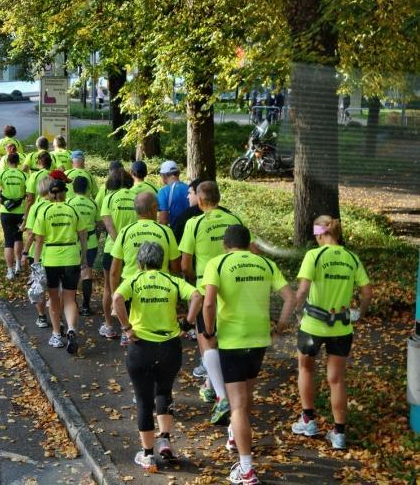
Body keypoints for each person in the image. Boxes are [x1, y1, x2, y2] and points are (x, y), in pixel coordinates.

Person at [202, 225, 295, 485]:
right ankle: (235, 434)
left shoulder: (217, 263)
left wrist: (209, 331)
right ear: (247, 243)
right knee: (244, 397)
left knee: (238, 404)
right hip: (259, 339)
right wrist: (281, 326)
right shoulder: (264, 264)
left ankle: (247, 469)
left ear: (225, 243)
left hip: (232, 340)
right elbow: (290, 298)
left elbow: (208, 302)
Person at [113, 242, 202, 473]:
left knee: (143, 400)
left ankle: (148, 455)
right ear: (161, 261)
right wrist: (188, 323)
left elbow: (116, 299)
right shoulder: (171, 281)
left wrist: (127, 328)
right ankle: (164, 439)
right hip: (170, 347)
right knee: (164, 391)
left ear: (140, 262)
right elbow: (196, 295)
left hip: (141, 347)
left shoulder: (134, 280)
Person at [291, 216, 372, 450]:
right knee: (336, 380)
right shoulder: (351, 258)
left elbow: (304, 289)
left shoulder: (314, 256)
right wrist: (360, 313)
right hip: (341, 328)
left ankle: (308, 420)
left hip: (312, 326)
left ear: (319, 234)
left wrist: (295, 311)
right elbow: (367, 292)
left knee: (305, 368)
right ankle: (339, 434)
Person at [179, 181, 257, 424]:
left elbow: (184, 264)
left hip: (205, 287)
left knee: (208, 339)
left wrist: (196, 282)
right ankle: (214, 384)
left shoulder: (194, 223)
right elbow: (252, 251)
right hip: (235, 284)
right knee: (226, 337)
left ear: (200, 201)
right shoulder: (234, 219)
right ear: (219, 198)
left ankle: (217, 391)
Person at [33, 173, 88, 354]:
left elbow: (39, 239)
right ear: (65, 192)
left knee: (54, 298)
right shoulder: (73, 210)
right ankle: (71, 328)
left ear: (50, 194)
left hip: (51, 259)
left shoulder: (45, 211)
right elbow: (83, 235)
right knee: (70, 298)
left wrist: (35, 262)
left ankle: (57, 334)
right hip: (71, 256)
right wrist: (84, 257)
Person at [110, 192, 180, 300]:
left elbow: (114, 271)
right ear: (153, 208)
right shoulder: (166, 232)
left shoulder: (125, 231)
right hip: (160, 288)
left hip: (131, 288)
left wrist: (115, 296)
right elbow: (176, 267)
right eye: (158, 208)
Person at [100, 168, 137, 343]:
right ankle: (128, 329)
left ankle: (109, 325)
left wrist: (118, 243)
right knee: (131, 289)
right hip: (134, 249)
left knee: (109, 287)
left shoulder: (109, 198)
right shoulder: (136, 196)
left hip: (112, 249)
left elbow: (108, 225)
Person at [21, 177, 53, 328]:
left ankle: (41, 316)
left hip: (37, 253)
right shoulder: (58, 205)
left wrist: (25, 252)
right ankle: (56, 315)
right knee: (54, 287)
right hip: (57, 252)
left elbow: (31, 233)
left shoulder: (35, 207)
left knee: (38, 285)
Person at [66, 176, 100, 317]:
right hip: (90, 242)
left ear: (73, 189)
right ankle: (86, 306)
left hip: (73, 242)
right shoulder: (93, 203)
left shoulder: (69, 202)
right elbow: (98, 224)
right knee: (87, 272)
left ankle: (72, 303)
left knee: (72, 273)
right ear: (87, 188)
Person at [0, 153, 28, 279]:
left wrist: (3, 197)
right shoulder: (24, 174)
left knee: (8, 241)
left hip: (6, 212)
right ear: (18, 162)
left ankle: (10, 271)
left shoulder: (2, 174)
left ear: (7, 162)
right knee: (18, 237)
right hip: (20, 211)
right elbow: (28, 193)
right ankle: (18, 265)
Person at [157, 160, 189, 227]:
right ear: (178, 173)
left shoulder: (163, 192)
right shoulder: (190, 189)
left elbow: (163, 220)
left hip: (174, 233)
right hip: (190, 231)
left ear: (164, 175)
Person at [23, 151, 53, 222]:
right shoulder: (54, 175)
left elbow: (30, 199)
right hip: (52, 211)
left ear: (39, 162)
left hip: (37, 211)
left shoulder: (34, 176)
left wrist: (25, 216)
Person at [170, 179, 202, 244]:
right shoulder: (226, 214)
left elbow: (175, 241)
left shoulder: (184, 217)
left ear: (199, 195)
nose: (188, 197)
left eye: (190, 193)